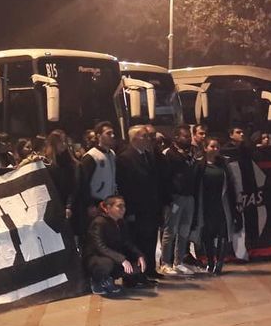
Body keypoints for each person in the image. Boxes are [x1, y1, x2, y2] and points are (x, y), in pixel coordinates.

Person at [116, 125, 164, 281]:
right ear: (134, 138)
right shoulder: (125, 158)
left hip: (151, 207)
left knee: (150, 239)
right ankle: (134, 276)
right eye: (144, 136)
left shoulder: (148, 155)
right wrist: (129, 211)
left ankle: (149, 270)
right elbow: (125, 186)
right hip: (136, 208)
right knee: (137, 242)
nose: (148, 139)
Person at [84, 196, 148, 296]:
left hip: (113, 256)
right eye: (119, 206)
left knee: (137, 265)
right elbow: (100, 247)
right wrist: (121, 259)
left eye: (124, 206)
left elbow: (127, 242)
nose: (123, 209)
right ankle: (97, 281)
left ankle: (109, 278)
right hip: (96, 258)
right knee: (107, 264)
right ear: (108, 208)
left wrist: (139, 255)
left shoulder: (121, 223)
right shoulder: (99, 222)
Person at [195, 138, 239, 274]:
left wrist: (237, 200)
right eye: (212, 146)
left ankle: (219, 264)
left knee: (223, 234)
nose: (215, 149)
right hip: (206, 205)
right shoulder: (199, 164)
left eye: (217, 147)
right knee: (207, 235)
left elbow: (233, 183)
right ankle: (210, 261)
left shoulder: (224, 164)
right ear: (205, 148)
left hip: (222, 204)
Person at [160, 125, 200, 276]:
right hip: (175, 198)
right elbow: (165, 178)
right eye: (185, 136)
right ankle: (165, 263)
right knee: (170, 231)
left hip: (189, 197)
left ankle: (179, 261)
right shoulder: (168, 153)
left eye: (189, 136)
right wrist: (168, 198)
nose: (188, 139)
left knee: (184, 230)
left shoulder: (191, 153)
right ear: (176, 137)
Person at [74, 121, 117, 239]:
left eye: (113, 133)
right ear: (99, 136)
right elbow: (84, 183)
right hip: (96, 201)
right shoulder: (91, 156)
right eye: (108, 133)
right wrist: (90, 204)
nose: (112, 136)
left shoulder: (112, 154)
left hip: (110, 201)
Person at [42, 130, 77, 221]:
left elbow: (72, 186)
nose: (64, 144)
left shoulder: (69, 162)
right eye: (60, 141)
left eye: (65, 141)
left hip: (66, 205)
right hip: (51, 206)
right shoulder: (46, 163)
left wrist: (69, 206)